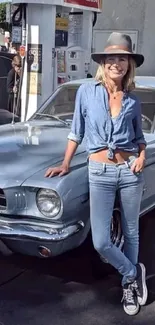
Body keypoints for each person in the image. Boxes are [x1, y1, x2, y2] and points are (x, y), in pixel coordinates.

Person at [45, 32, 148, 315]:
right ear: (104, 62)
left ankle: (129, 289)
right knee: (101, 240)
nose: (117, 63)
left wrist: (142, 155)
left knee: (130, 232)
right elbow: (76, 131)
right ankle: (132, 273)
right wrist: (65, 164)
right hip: (100, 170)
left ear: (129, 64)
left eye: (123, 59)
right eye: (112, 58)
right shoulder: (86, 93)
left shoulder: (132, 100)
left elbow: (139, 137)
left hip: (129, 172)